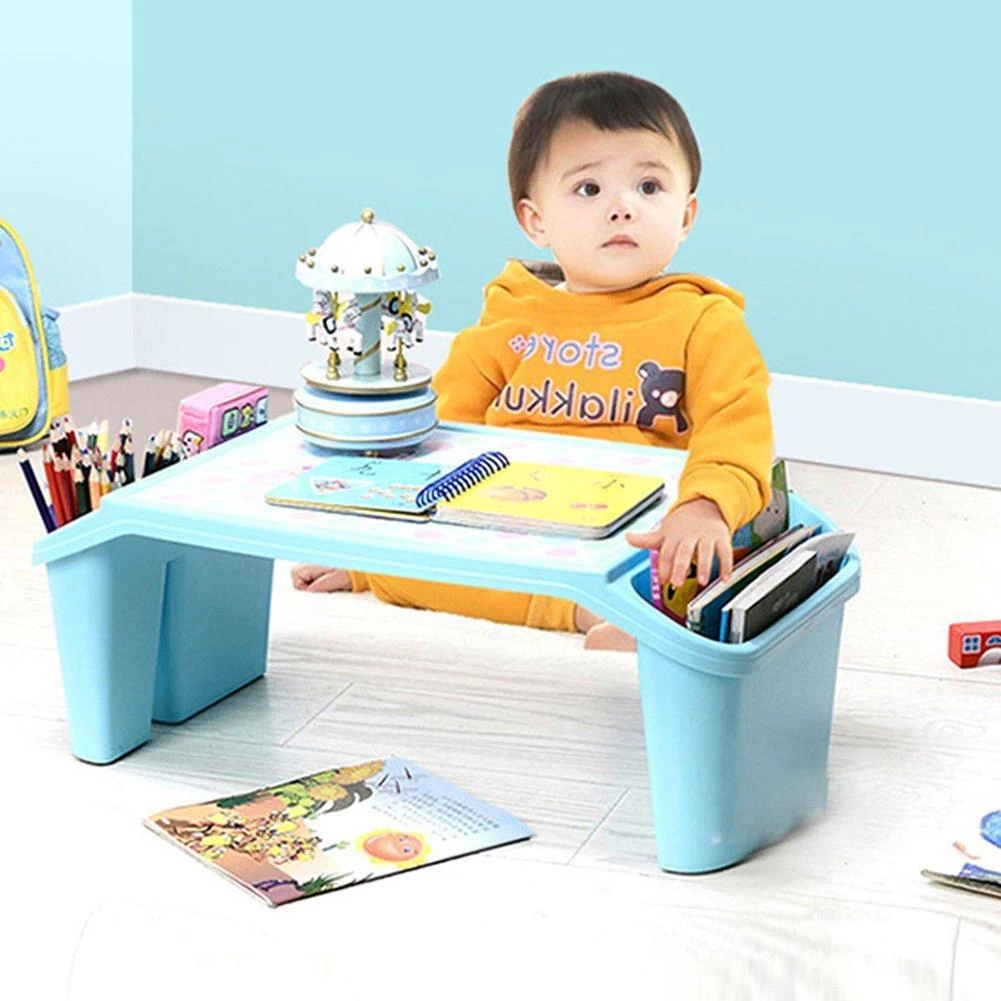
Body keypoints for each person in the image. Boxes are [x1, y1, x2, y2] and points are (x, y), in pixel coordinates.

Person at [292, 70, 774, 652]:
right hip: (506, 514)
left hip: (628, 522)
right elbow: (434, 423)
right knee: (418, 567)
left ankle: (614, 612)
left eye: (649, 187)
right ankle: (413, 578)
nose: (623, 208)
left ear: (687, 215)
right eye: (589, 190)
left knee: (684, 563)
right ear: (535, 220)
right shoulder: (513, 313)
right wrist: (372, 542)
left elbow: (739, 432)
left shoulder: (705, 321)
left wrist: (705, 506)